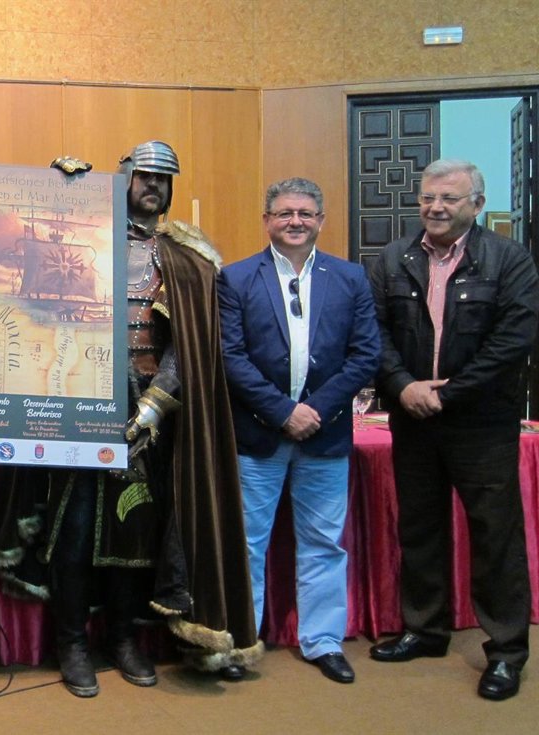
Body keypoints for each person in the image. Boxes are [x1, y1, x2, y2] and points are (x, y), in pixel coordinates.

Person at [0, 142, 261, 696]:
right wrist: (62, 188)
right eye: (144, 175)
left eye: (163, 178)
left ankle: (123, 639)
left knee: (135, 535)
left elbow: (187, 347)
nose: (153, 185)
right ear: (126, 178)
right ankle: (71, 643)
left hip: (152, 417)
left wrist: (154, 405)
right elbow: (35, 260)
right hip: (78, 406)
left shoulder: (183, 257)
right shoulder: (84, 234)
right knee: (74, 532)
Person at [368, 159, 538, 701]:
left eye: (449, 198)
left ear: (477, 205)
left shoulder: (509, 260)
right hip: (412, 418)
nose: (435, 208)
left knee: (495, 537)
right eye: (428, 198)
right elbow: (372, 332)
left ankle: (506, 651)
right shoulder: (394, 258)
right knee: (420, 529)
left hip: (481, 424)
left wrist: (446, 393)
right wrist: (403, 386)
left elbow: (512, 342)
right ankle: (425, 630)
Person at [218, 177, 379, 684]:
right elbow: (230, 357)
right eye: (285, 212)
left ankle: (323, 641)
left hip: (324, 436)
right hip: (258, 435)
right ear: (267, 219)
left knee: (324, 543)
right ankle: (241, 640)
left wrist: (315, 411)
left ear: (321, 221)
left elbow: (365, 355)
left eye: (306, 213)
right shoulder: (236, 278)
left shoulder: (350, 278)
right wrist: (283, 411)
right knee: (247, 544)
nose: (296, 221)